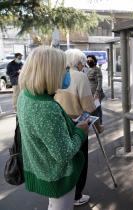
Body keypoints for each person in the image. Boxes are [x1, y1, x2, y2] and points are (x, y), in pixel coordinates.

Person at [17, 46, 89, 210]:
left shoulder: (25, 95)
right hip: (57, 175)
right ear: (51, 72)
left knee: (53, 203)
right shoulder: (47, 108)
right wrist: (80, 131)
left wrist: (65, 122)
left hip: (41, 167)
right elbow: (64, 154)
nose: (67, 73)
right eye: (64, 69)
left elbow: (42, 130)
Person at [54, 49, 102, 206]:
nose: (84, 65)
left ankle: (65, 192)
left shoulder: (58, 74)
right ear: (79, 62)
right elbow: (88, 105)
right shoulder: (80, 76)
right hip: (77, 124)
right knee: (80, 159)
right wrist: (99, 126)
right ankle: (76, 195)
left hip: (60, 122)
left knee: (65, 159)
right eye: (83, 62)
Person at [86, 55, 103, 124]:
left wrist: (97, 93)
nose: (89, 61)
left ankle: (100, 123)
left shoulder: (97, 69)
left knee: (97, 108)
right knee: (92, 109)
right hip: (89, 93)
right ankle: (95, 123)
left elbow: (100, 81)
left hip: (96, 93)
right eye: (88, 60)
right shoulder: (88, 69)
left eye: (90, 60)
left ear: (94, 61)